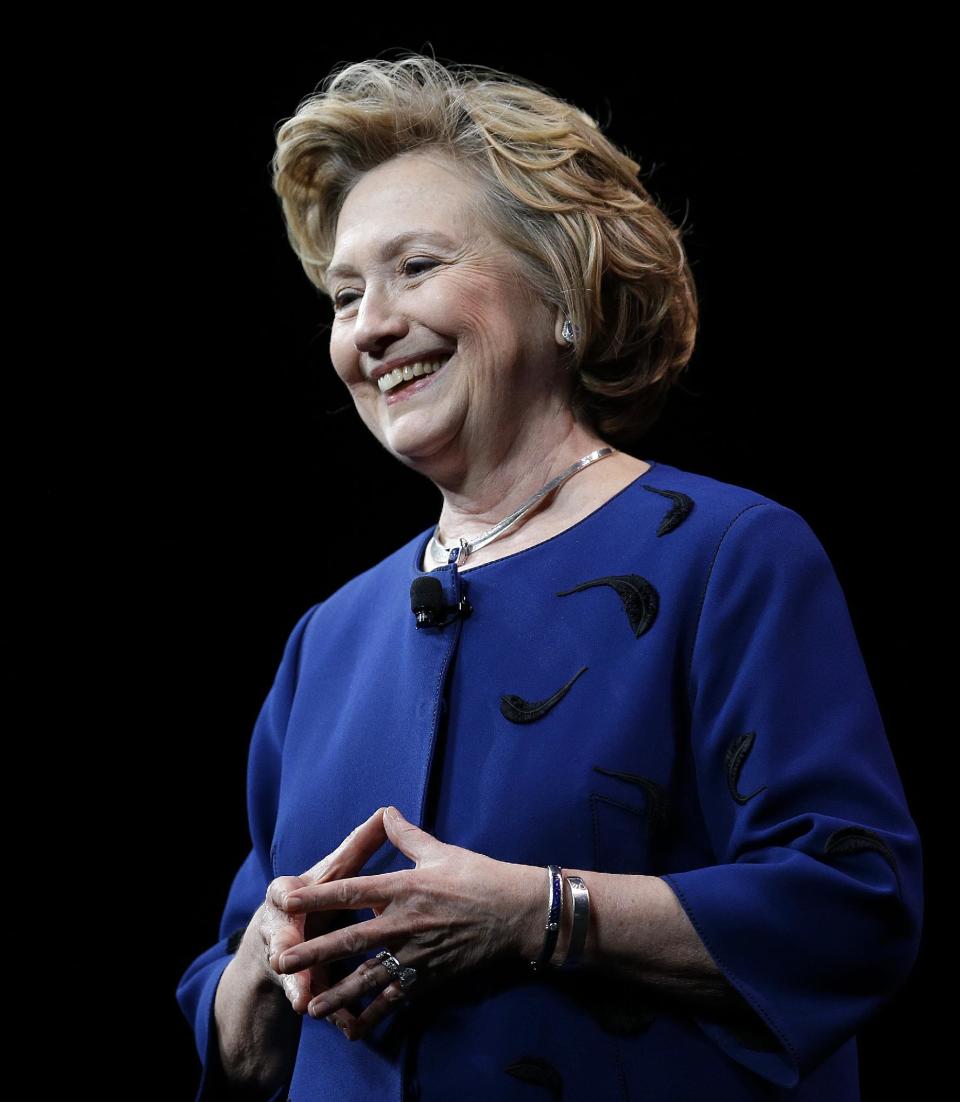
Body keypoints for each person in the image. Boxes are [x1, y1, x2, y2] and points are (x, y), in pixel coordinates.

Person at [175, 54, 923, 1101]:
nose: (371, 325)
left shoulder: (728, 556)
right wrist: (263, 961)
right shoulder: (328, 639)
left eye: (416, 267)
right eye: (345, 294)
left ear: (562, 292)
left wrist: (536, 915)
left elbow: (855, 908)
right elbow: (238, 1037)